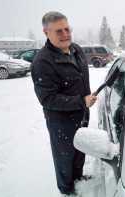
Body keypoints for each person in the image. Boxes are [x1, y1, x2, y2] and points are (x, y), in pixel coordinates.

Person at [31, 11, 97, 196]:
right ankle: (67, 190)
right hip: (61, 121)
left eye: (67, 29)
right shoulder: (42, 62)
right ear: (46, 33)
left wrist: (85, 100)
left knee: (80, 150)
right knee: (64, 157)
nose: (65, 34)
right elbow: (47, 99)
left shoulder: (76, 49)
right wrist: (81, 100)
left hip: (81, 114)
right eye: (59, 31)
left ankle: (78, 179)